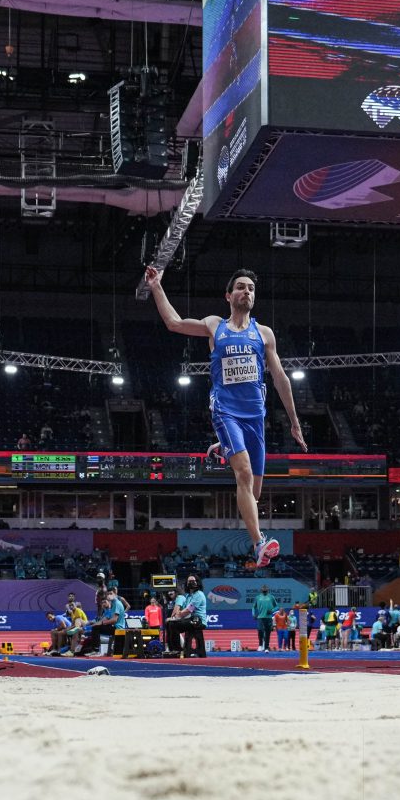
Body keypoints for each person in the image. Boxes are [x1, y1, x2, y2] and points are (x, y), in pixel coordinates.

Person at [144, 265, 307, 570]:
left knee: (254, 493)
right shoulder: (214, 326)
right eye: (241, 287)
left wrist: (294, 422)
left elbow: (281, 378)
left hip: (255, 418)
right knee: (243, 474)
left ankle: (225, 447)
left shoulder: (264, 334)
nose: (247, 292)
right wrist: (156, 286)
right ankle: (259, 544)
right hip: (225, 411)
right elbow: (174, 323)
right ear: (228, 295)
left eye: (251, 288)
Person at [166, 574, 207, 658]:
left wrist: (176, 617)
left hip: (198, 621)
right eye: (189, 581)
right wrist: (175, 616)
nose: (191, 583)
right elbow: (183, 610)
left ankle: (178, 650)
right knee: (169, 624)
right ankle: (172, 649)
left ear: (197, 582)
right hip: (190, 619)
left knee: (173, 624)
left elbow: (188, 610)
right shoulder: (188, 596)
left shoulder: (199, 594)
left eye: (193, 581)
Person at [251, 586, 276, 652]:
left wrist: (272, 610)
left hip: (268, 617)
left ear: (268, 590)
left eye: (265, 589)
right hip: (260, 617)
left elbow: (276, 606)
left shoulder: (271, 597)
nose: (264, 590)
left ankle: (266, 647)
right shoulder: (258, 597)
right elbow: (253, 607)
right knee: (260, 630)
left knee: (268, 633)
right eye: (263, 589)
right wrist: (253, 614)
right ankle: (260, 645)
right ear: (261, 590)